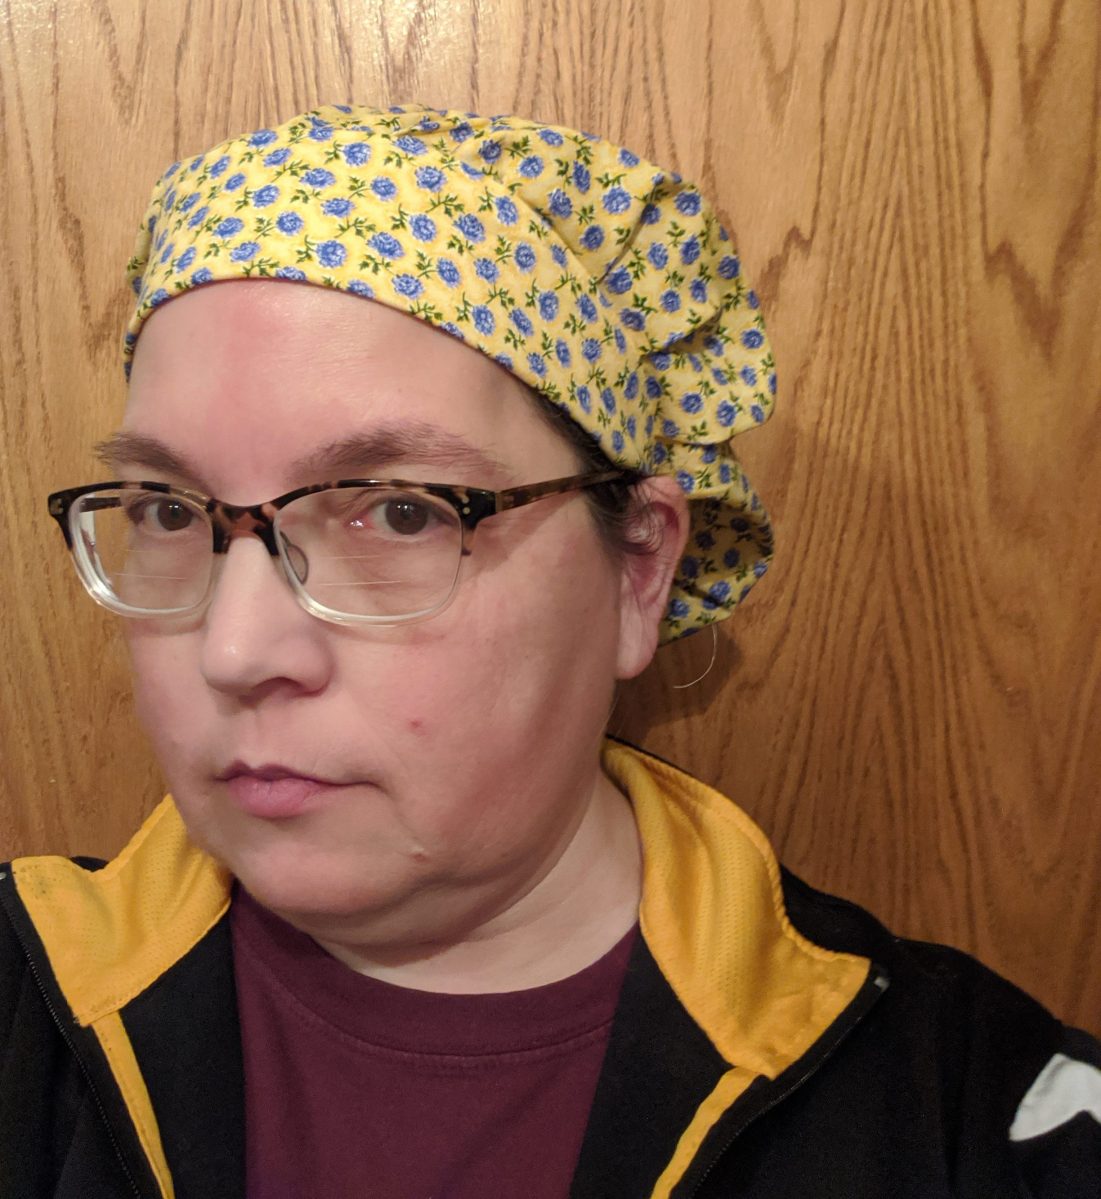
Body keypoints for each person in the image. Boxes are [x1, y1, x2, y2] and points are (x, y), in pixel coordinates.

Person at [1, 103, 1097, 1199]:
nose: (235, 650)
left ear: (638, 570)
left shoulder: (971, 1119)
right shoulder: (23, 1003)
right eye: (167, 512)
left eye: (399, 513)